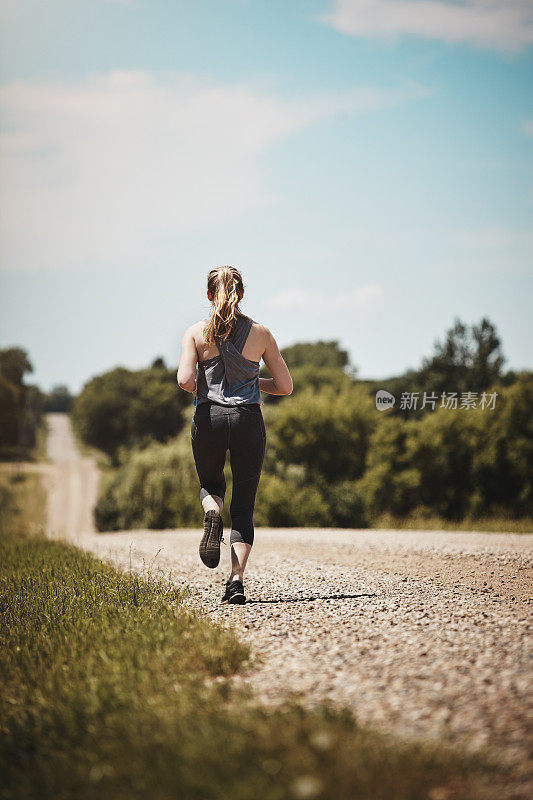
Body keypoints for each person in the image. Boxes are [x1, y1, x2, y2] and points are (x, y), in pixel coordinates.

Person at [177, 266, 293, 604]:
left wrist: (209, 391)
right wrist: (251, 383)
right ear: (241, 294)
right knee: (243, 507)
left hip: (209, 418)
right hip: (248, 420)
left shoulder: (196, 333)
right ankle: (236, 582)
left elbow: (185, 380)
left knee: (212, 486)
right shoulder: (262, 333)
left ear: (209, 295)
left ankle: (212, 512)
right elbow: (285, 387)